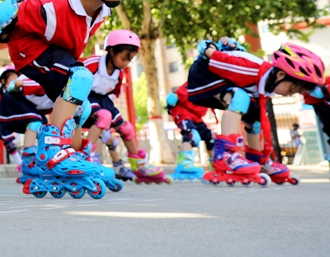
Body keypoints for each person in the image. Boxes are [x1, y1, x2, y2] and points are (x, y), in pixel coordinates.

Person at [0, 0, 136, 199]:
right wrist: (11, 10)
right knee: (81, 76)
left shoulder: (101, 12)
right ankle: (53, 150)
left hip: (56, 54)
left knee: (81, 108)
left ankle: (64, 157)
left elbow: (74, 40)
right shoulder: (54, 9)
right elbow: (11, 11)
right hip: (30, 51)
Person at [187, 40, 324, 186]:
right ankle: (226, 155)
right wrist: (207, 48)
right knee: (239, 98)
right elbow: (218, 59)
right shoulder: (250, 69)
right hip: (203, 75)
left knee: (256, 115)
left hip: (224, 78)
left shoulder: (264, 84)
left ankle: (256, 159)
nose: (291, 94)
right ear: (280, 75)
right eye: (292, 90)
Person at [83, 29, 171, 185]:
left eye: (129, 60)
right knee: (104, 116)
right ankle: (85, 157)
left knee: (126, 129)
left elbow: (112, 96)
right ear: (111, 51)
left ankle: (140, 167)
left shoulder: (119, 74)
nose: (125, 63)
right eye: (124, 58)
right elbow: (73, 80)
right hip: (83, 96)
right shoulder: (92, 64)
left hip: (103, 100)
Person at [166, 80, 215, 181]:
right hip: (183, 114)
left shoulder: (211, 85)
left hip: (196, 117)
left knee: (210, 137)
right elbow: (173, 97)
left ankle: (215, 165)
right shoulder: (196, 80)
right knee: (190, 134)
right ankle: (184, 164)